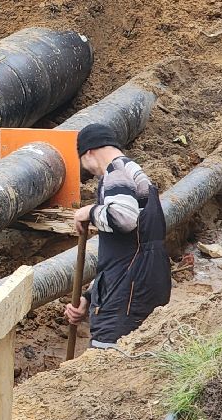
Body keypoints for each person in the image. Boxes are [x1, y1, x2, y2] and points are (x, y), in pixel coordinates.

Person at [64, 122, 171, 348]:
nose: (91, 172)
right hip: (144, 286)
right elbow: (126, 252)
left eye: (85, 164)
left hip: (127, 299)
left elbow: (123, 218)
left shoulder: (115, 174)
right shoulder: (136, 174)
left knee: (107, 360)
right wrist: (90, 298)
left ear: (89, 152)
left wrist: (89, 211)